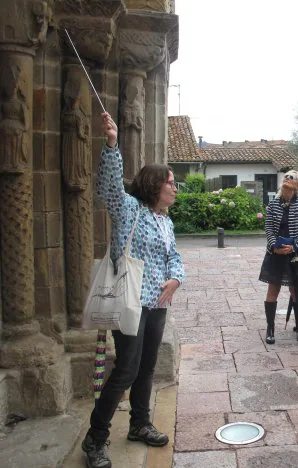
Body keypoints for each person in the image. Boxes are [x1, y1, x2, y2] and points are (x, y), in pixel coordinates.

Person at [82, 113, 185, 468]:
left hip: (157, 304)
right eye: (170, 182)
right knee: (125, 368)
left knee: (147, 367)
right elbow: (109, 187)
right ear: (154, 184)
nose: (174, 187)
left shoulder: (165, 221)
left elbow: (174, 256)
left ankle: (140, 423)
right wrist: (112, 145)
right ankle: (95, 438)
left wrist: (176, 278)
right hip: (130, 302)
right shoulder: (129, 209)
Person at [259, 170, 298, 344]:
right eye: (286, 176)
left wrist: (294, 246)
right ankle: (270, 329)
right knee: (273, 290)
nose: (287, 178)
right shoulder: (274, 204)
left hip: (295, 253)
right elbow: (268, 228)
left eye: (292, 177)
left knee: (296, 291)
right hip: (276, 253)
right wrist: (275, 246)